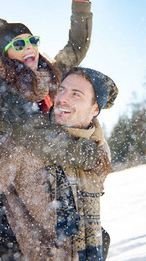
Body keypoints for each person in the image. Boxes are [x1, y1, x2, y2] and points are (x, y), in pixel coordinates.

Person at [0, 0, 102, 260]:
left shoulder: (47, 76)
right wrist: (89, 156)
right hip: (5, 204)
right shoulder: (1, 88)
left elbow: (76, 47)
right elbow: (36, 136)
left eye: (32, 40)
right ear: (5, 54)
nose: (30, 48)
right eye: (19, 44)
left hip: (47, 187)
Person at [9, 67, 118, 260]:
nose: (62, 98)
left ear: (94, 109)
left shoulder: (98, 152)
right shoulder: (30, 141)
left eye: (76, 94)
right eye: (62, 90)